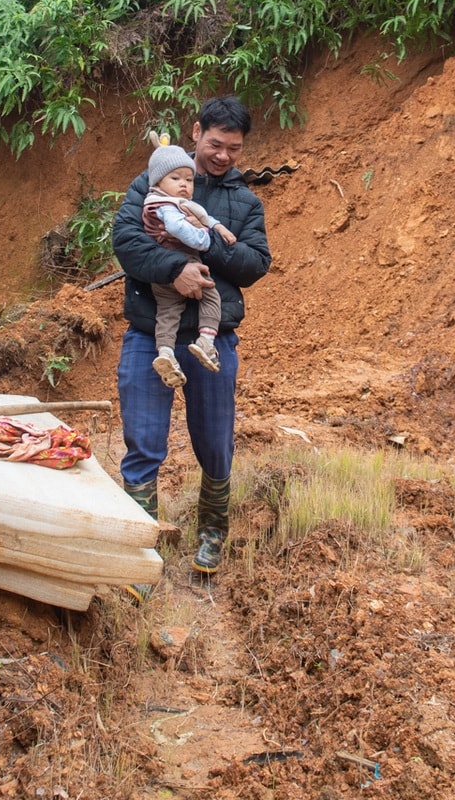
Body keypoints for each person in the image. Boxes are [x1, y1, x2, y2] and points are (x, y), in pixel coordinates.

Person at [110, 96, 270, 579]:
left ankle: (212, 534)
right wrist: (176, 267)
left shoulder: (244, 202)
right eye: (216, 144)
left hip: (211, 337)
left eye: (234, 149)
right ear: (197, 132)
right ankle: (141, 551)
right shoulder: (154, 180)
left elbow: (255, 263)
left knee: (215, 442)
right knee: (142, 441)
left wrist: (204, 242)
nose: (223, 156)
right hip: (148, 333)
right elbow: (126, 241)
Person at [139, 141, 237, 388]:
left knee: (168, 313)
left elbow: (203, 216)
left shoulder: (162, 201)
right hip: (183, 261)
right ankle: (206, 341)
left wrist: (217, 228)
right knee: (211, 297)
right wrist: (203, 239)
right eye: (175, 178)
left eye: (189, 179)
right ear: (158, 181)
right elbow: (176, 227)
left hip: (160, 272)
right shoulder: (167, 206)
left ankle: (165, 352)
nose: (184, 184)